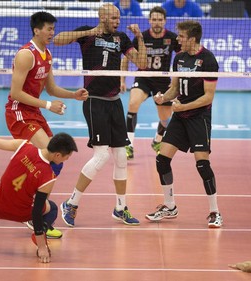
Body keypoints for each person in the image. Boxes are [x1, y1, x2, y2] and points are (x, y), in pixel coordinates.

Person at [53, 3, 147, 227]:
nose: (117, 21)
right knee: (101, 156)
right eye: (114, 18)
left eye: (119, 18)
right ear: (102, 17)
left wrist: (139, 38)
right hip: (94, 101)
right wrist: (88, 32)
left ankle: (120, 208)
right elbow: (57, 39)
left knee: (121, 158)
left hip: (114, 102)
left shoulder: (121, 38)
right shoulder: (87, 34)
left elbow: (142, 63)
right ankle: (71, 203)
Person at [4, 11, 88, 238]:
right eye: (49, 29)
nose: (52, 33)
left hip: (34, 112)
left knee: (56, 159)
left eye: (53, 29)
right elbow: (15, 93)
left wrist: (73, 95)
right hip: (19, 113)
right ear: (36, 30)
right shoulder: (25, 55)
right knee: (50, 155)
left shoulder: (47, 54)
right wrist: (48, 105)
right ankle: (33, 212)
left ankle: (33, 201)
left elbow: (51, 89)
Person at [145, 20, 223, 228]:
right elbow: (174, 88)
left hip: (199, 117)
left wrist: (182, 108)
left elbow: (208, 97)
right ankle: (170, 206)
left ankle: (215, 212)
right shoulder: (179, 58)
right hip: (180, 116)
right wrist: (164, 98)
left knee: (202, 165)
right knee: (162, 160)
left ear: (192, 38)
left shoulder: (208, 60)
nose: (177, 39)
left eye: (181, 36)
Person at [0, 104, 78, 263]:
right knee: (51, 207)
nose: (66, 160)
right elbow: (37, 212)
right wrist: (41, 246)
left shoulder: (22, 146)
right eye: (67, 157)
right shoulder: (49, 176)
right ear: (58, 155)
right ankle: (39, 233)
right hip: (21, 213)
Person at [120, 6, 180, 160]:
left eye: (160, 20)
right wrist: (122, 79)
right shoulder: (142, 36)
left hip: (163, 81)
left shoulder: (172, 38)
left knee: (166, 119)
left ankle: (157, 141)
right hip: (144, 77)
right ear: (149, 21)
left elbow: (182, 58)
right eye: (154, 19)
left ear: (165, 21)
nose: (157, 23)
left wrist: (176, 82)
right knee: (133, 103)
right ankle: (128, 145)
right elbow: (126, 58)